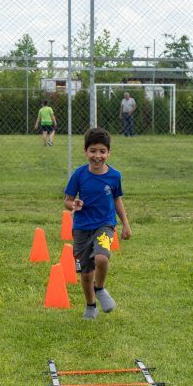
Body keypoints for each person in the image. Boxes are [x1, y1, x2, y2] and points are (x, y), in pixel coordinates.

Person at [64, 126, 131, 319]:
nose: (97, 156)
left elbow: (117, 199)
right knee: (85, 274)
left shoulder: (115, 176)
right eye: (93, 151)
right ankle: (91, 305)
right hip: (81, 229)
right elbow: (67, 200)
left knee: (102, 258)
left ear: (109, 152)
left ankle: (100, 288)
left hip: (105, 225)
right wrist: (74, 204)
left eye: (102, 151)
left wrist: (125, 224)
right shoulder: (79, 174)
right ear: (85, 151)